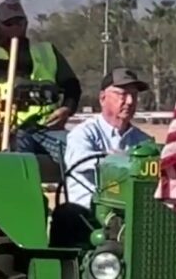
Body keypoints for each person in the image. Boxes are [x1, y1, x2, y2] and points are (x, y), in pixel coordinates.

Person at [0, 1, 81, 159]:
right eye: (9, 23)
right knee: (18, 164)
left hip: (47, 127)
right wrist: (16, 68)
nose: (15, 28)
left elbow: (72, 86)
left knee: (80, 153)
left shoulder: (47, 51)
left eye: (19, 22)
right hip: (8, 130)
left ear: (26, 24)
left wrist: (66, 109)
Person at [63, 67, 154, 208]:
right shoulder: (83, 134)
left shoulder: (144, 141)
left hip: (129, 214)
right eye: (122, 94)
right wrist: (122, 162)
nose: (129, 101)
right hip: (85, 215)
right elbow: (80, 164)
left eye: (134, 95)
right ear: (102, 98)